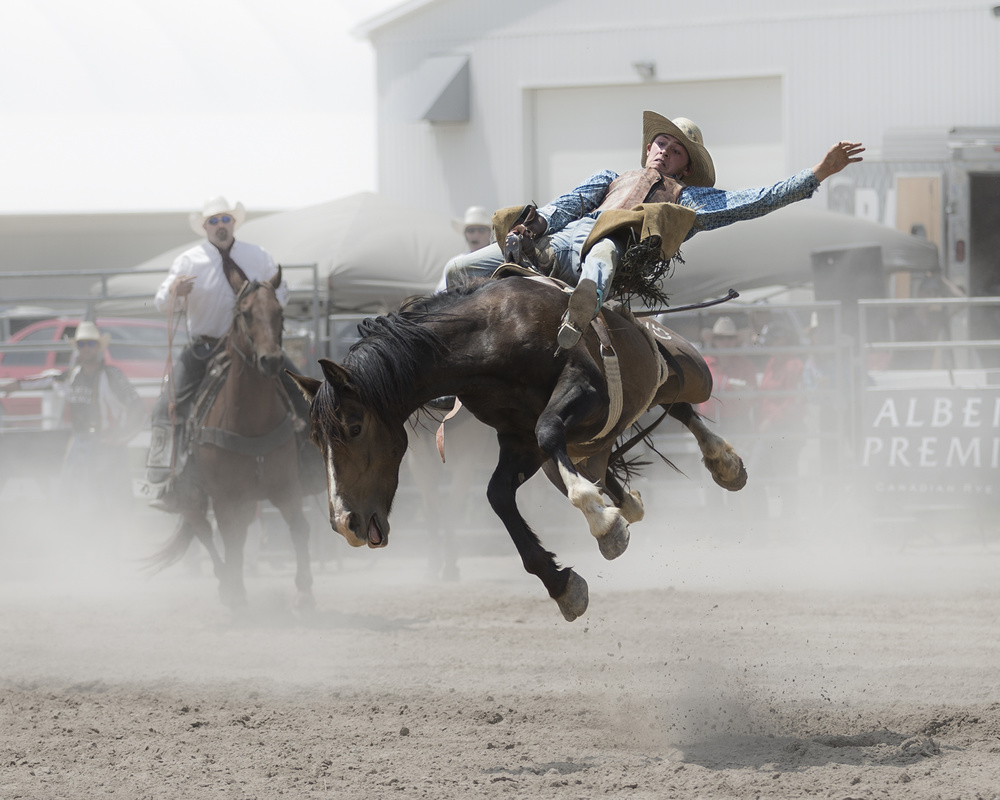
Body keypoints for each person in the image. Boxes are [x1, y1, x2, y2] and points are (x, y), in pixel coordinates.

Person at [445, 111, 865, 349]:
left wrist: (817, 173)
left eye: (676, 149)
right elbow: (566, 205)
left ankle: (580, 314)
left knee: (606, 249)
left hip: (607, 251)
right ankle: (430, 339)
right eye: (661, 143)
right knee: (457, 268)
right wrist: (532, 223)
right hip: (553, 246)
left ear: (687, 166)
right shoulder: (611, 177)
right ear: (649, 148)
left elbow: (753, 200)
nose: (665, 151)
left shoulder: (690, 199)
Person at [145, 196, 313, 509]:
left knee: (307, 394)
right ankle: (167, 479)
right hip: (205, 347)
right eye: (214, 221)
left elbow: (283, 292)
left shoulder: (257, 255)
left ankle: (315, 467)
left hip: (254, 348)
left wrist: (269, 295)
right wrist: (174, 291)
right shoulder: (189, 260)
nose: (220, 226)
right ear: (205, 227)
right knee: (166, 408)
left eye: (225, 220)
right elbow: (160, 301)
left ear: (233, 223)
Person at [1, 321, 145, 515]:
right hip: (82, 442)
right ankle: (82, 535)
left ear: (98, 347)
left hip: (107, 445)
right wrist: (16, 385)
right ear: (77, 347)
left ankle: (118, 538)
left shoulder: (112, 376)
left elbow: (138, 409)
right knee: (73, 495)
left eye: (91, 344)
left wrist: (119, 438)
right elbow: (50, 378)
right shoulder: (74, 375)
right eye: (82, 344)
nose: (86, 348)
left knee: (113, 500)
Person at [698, 315, 758, 433]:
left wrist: (745, 392)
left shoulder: (746, 365)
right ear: (714, 341)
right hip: (708, 420)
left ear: (735, 340)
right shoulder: (703, 364)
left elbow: (753, 397)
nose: (726, 342)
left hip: (737, 421)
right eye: (721, 338)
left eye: (730, 338)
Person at [434, 205, 493, 292]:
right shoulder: (455, 263)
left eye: (481, 230)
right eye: (471, 230)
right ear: (465, 234)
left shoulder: (499, 260)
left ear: (489, 233)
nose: (475, 235)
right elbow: (441, 293)